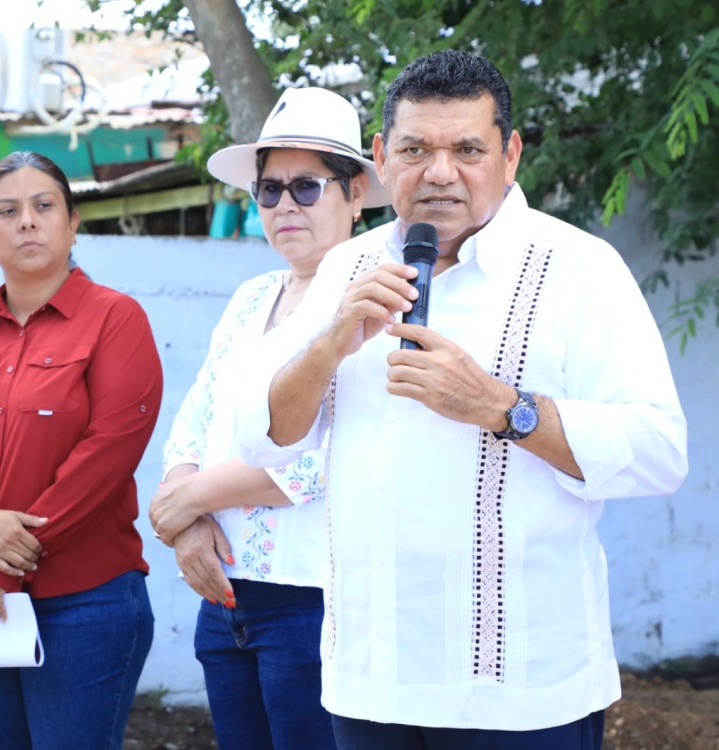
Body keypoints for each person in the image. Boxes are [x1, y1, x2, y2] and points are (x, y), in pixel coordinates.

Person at [235, 50, 688, 750]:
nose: (439, 172)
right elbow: (266, 436)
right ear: (382, 158)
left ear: (509, 156)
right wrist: (329, 343)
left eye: (467, 149)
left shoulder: (578, 268)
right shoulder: (345, 269)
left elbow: (660, 453)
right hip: (371, 677)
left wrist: (503, 408)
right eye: (416, 148)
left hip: (521, 689)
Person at [149, 86, 388, 750]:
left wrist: (191, 497)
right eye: (269, 190)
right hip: (224, 588)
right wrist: (190, 523)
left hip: (311, 595)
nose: (284, 205)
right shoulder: (254, 294)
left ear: (355, 193)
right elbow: (197, 413)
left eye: (306, 188)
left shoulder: (377, 292)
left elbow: (332, 457)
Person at [0, 151, 163, 749]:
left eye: (44, 207)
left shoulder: (116, 319)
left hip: (84, 604)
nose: (27, 222)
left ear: (72, 224)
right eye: (8, 211)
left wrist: (3, 561)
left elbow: (106, 458)